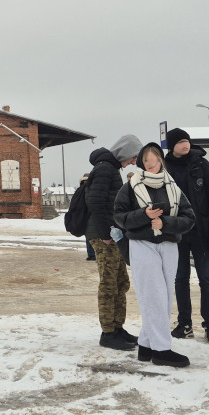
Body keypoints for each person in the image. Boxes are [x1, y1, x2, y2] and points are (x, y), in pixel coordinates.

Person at [114, 142, 196, 367]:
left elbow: (189, 218)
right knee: (153, 296)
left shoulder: (172, 186)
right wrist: (144, 215)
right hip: (142, 244)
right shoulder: (130, 186)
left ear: (161, 160)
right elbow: (119, 217)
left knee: (165, 296)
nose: (151, 164)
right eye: (146, 160)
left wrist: (165, 223)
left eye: (155, 159)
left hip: (168, 244)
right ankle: (162, 350)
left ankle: (146, 344)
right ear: (141, 163)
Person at [163, 128, 209, 343]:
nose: (185, 145)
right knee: (180, 278)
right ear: (172, 145)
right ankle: (185, 324)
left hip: (201, 231)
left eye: (187, 141)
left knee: (206, 279)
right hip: (177, 232)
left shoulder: (201, 164)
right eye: (180, 142)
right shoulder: (165, 167)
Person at [85, 134, 143, 351]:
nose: (133, 162)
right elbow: (96, 202)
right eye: (133, 157)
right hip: (104, 236)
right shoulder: (104, 169)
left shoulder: (110, 168)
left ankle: (118, 328)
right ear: (124, 152)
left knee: (121, 282)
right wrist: (105, 234)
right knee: (109, 283)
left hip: (112, 234)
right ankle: (108, 332)